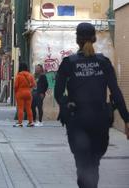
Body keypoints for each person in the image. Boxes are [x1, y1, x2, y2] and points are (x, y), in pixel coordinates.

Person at [54, 22, 129, 188]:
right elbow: (116, 91)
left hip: (77, 122)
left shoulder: (68, 63)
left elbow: (58, 93)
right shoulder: (104, 62)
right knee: (93, 165)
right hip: (100, 121)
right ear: (94, 38)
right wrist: (126, 119)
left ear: (77, 39)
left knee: (82, 165)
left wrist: (67, 105)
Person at [14, 63, 36, 127]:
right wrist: (29, 87)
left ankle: (20, 122)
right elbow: (34, 85)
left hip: (20, 92)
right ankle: (30, 122)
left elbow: (15, 86)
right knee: (29, 108)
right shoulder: (30, 75)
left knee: (20, 108)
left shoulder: (18, 75)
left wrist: (15, 92)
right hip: (28, 93)